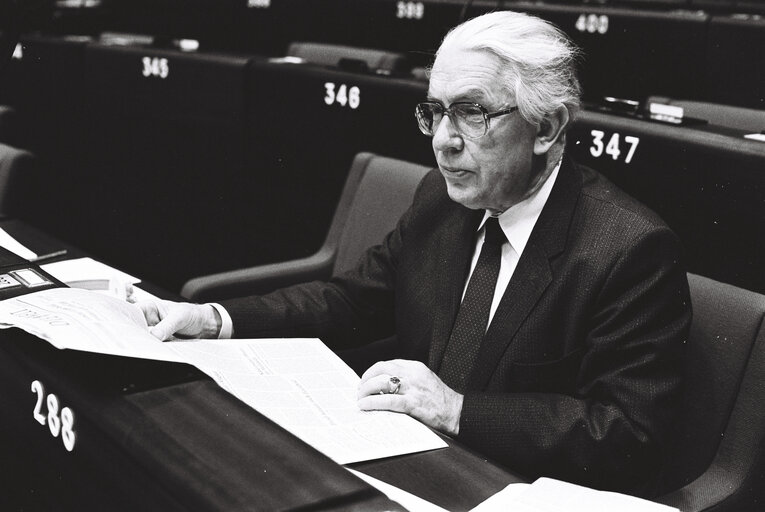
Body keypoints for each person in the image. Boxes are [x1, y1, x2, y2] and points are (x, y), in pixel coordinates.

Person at [139, 11, 691, 496]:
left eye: (471, 113)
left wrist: (456, 409)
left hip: (505, 487)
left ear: (546, 127)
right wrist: (215, 319)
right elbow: (350, 301)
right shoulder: (442, 199)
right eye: (435, 111)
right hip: (403, 461)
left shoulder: (627, 248)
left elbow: (625, 432)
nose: (443, 141)